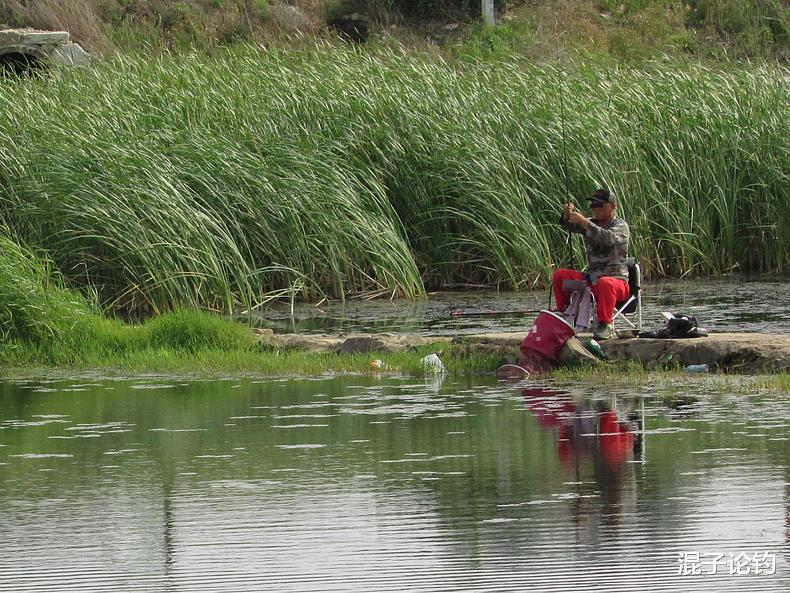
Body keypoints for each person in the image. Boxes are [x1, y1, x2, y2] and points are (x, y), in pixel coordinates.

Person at [553, 187, 630, 340]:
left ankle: (604, 324)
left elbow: (607, 238)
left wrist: (584, 222)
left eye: (600, 205)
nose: (596, 209)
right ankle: (565, 314)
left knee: (605, 283)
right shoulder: (591, 223)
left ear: (613, 206)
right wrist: (567, 215)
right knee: (560, 275)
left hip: (617, 283)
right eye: (593, 205)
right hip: (591, 279)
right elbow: (568, 225)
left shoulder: (621, 226)